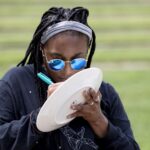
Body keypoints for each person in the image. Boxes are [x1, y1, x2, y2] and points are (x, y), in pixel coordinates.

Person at [0, 7, 140, 150]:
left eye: (77, 61)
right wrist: (41, 117)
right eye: (56, 61)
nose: (68, 71)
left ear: (87, 53)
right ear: (42, 50)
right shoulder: (16, 82)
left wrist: (98, 120)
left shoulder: (105, 93)